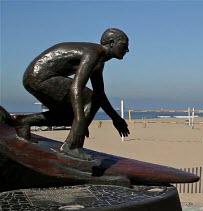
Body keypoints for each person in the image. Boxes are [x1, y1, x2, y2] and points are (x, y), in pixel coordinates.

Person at [10, 28, 130, 160]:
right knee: (86, 106)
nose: (127, 50)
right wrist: (80, 120)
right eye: (124, 45)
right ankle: (72, 147)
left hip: (33, 78)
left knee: (71, 116)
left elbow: (100, 94)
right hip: (40, 77)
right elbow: (76, 88)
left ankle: (24, 122)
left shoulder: (99, 61)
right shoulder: (93, 54)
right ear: (112, 42)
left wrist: (115, 118)